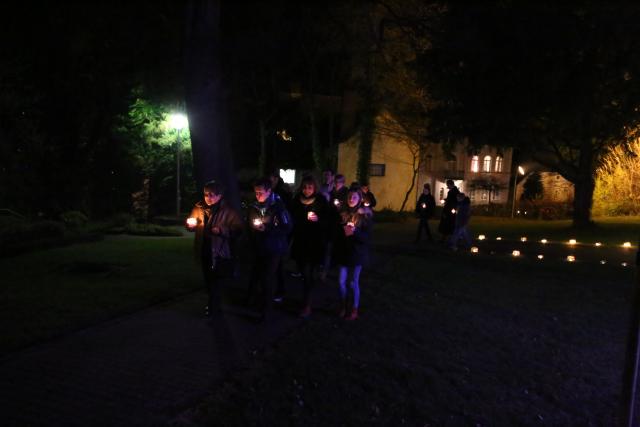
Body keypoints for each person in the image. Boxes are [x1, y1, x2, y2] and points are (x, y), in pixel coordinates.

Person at [186, 180, 243, 317]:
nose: (208, 197)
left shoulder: (228, 212)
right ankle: (213, 303)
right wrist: (190, 225)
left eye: (212, 195)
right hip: (204, 249)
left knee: (216, 281)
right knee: (208, 279)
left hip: (219, 251)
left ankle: (213, 307)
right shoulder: (198, 208)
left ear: (220, 196)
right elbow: (191, 221)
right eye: (206, 194)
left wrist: (222, 231)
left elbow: (238, 230)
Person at [246, 178, 292, 321]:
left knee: (268, 278)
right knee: (256, 275)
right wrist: (254, 229)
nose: (258, 195)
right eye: (256, 192)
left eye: (261, 192)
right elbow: (249, 224)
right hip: (259, 246)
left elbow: (287, 227)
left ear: (269, 191)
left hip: (274, 247)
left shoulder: (278, 207)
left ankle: (266, 310)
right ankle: (252, 301)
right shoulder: (254, 206)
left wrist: (268, 230)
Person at [289, 175, 330, 317]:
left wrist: (318, 219)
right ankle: (307, 297)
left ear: (315, 188)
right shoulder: (296, 201)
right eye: (305, 187)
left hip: (315, 243)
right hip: (300, 241)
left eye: (310, 187)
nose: (307, 190)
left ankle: (307, 304)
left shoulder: (321, 201)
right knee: (303, 272)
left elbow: (328, 220)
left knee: (308, 274)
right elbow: (291, 218)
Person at [332, 185, 373, 321]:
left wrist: (355, 232)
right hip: (344, 251)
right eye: (349, 196)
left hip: (357, 253)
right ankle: (343, 305)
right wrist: (341, 231)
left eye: (354, 197)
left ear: (359, 199)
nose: (351, 199)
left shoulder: (364, 215)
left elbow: (367, 238)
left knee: (353, 282)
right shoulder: (341, 213)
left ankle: (354, 309)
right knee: (341, 281)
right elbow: (336, 233)